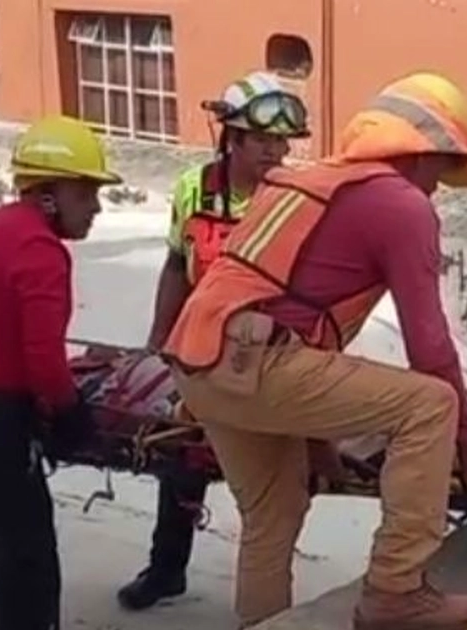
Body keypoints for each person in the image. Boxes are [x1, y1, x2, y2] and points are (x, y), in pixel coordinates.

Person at [160, 72, 467, 630]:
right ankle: (397, 591)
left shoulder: (312, 180)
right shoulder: (401, 205)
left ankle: (262, 623)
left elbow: (292, 313)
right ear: (420, 153)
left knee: (273, 514)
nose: (438, 187)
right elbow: (430, 347)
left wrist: (319, 442)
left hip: (199, 363)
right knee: (430, 404)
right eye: (442, 170)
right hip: (256, 359)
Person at [118, 71, 311, 611]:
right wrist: (159, 339)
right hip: (201, 349)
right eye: (264, 140)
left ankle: (268, 587)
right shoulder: (193, 191)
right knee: (181, 457)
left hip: (268, 354)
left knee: (274, 483)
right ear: (233, 138)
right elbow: (177, 265)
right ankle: (165, 569)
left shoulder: (296, 198)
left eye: (282, 142)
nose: (276, 151)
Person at [0, 115, 121, 630]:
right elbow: (44, 360)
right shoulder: (40, 251)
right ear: (50, 194)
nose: (96, 208)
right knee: (25, 555)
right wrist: (70, 414)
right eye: (86, 194)